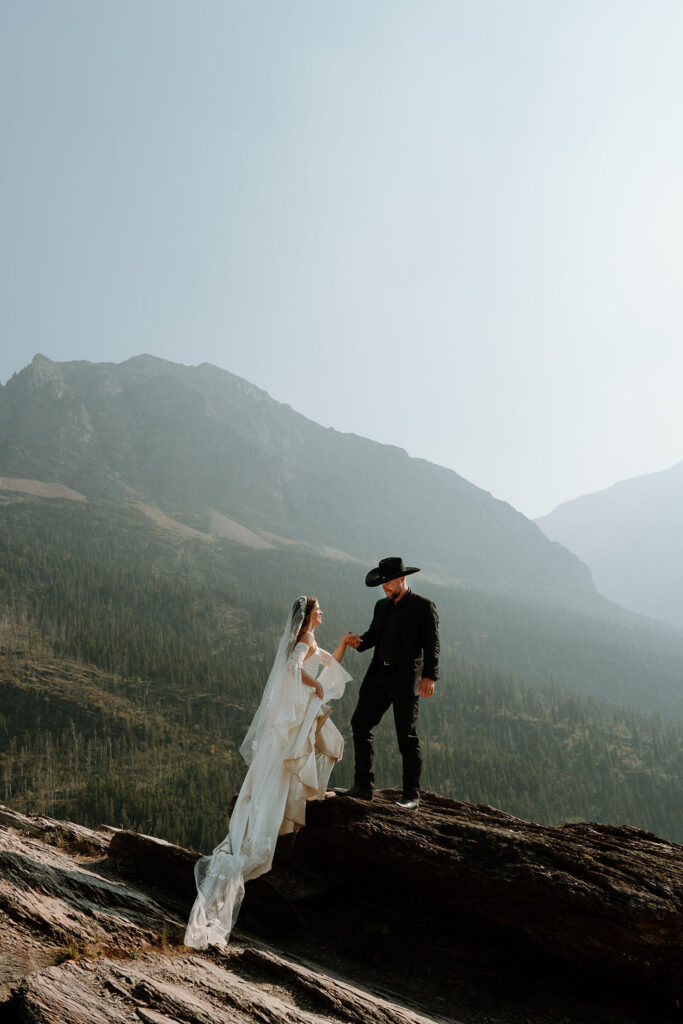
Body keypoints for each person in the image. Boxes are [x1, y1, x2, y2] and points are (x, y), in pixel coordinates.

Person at [185, 596, 353, 949]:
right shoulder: (304, 641)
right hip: (289, 720)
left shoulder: (307, 640)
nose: (323, 612)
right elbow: (294, 670)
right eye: (318, 609)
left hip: (289, 718)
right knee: (284, 772)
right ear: (307, 616)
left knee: (294, 762)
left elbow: (325, 663)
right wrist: (315, 685)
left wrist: (341, 646)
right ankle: (257, 838)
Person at [341, 556, 439, 810]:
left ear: (402, 579)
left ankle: (412, 796)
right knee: (360, 724)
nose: (385, 587)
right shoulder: (381, 606)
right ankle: (363, 786)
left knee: (406, 736)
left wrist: (430, 677)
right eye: (382, 583)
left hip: (406, 681)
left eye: (389, 582)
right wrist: (358, 642)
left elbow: (432, 645)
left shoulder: (423, 606)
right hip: (378, 677)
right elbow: (373, 635)